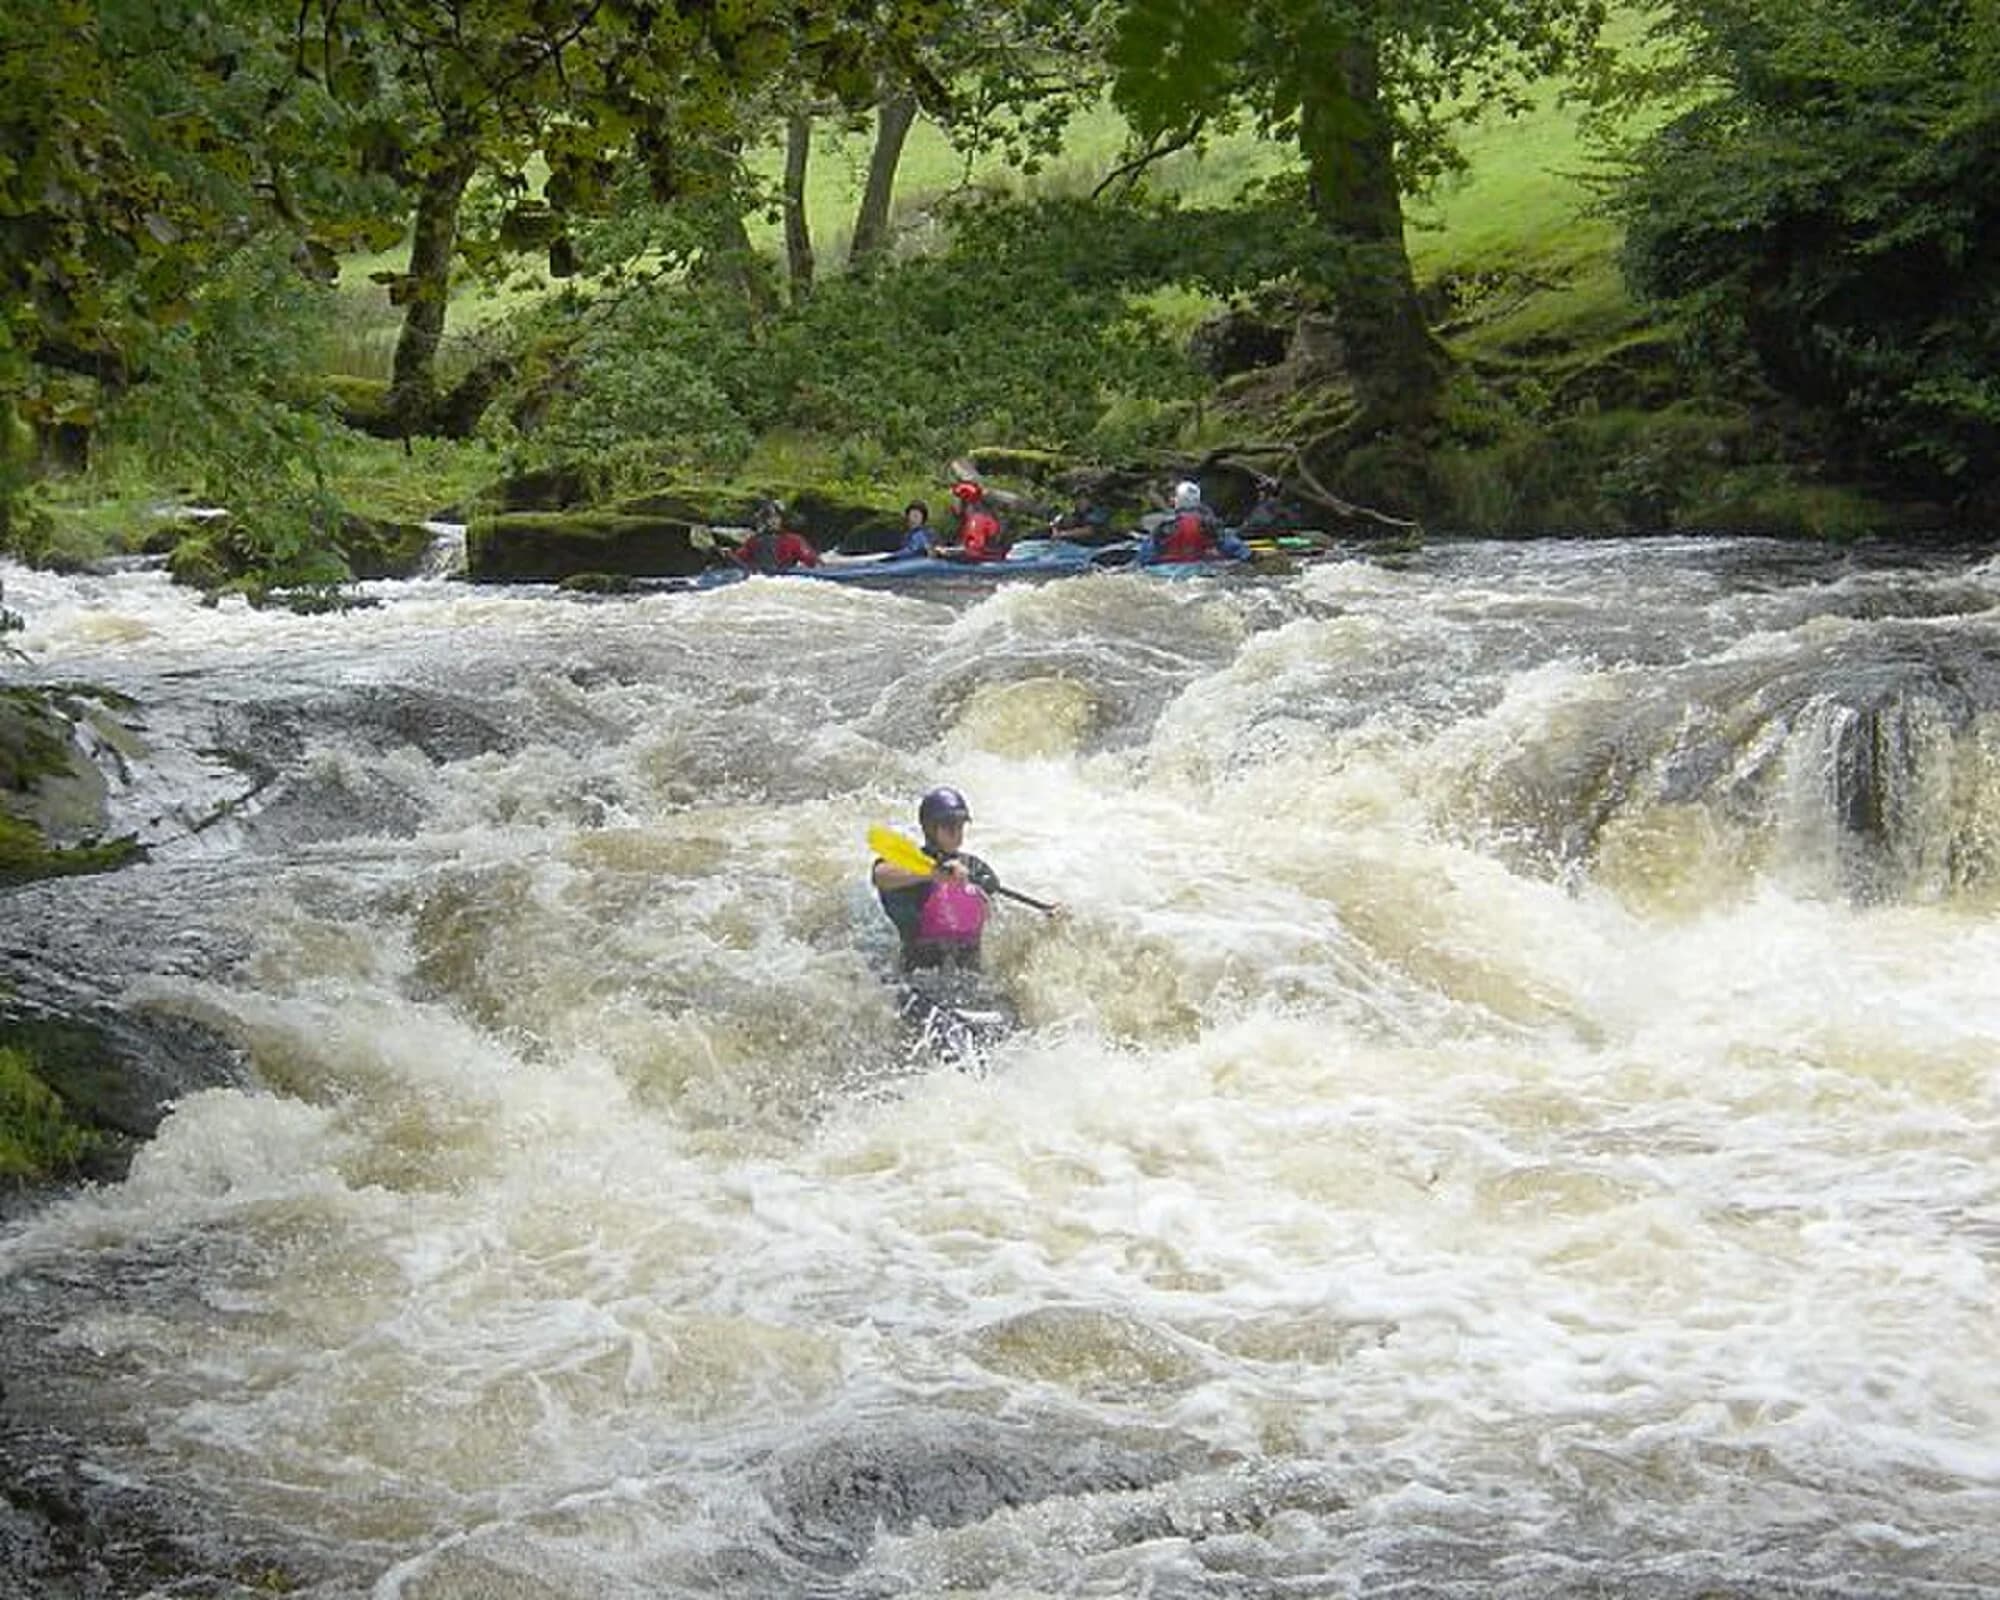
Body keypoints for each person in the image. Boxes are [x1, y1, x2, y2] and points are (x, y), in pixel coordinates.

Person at [871, 786, 1006, 972]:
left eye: (960, 825)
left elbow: (1001, 909)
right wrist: (934, 873)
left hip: (969, 969)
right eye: (950, 826)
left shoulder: (974, 866)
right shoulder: (910, 865)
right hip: (919, 972)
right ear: (930, 829)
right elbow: (880, 876)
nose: (957, 832)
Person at [1139, 480, 1249, 566]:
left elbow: (1145, 557)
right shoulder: (1209, 524)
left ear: (1178, 500)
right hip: (1200, 569)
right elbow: (1236, 549)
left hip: (1165, 572)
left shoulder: (1165, 525)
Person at [733, 499, 821, 572]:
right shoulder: (794, 540)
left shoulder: (752, 541)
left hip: (764, 580)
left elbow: (738, 560)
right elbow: (814, 562)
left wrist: (728, 554)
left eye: (773, 517)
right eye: (768, 517)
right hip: (785, 580)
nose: (770, 521)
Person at [939, 481, 1007, 563]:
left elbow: (973, 550)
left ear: (964, 500)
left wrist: (948, 552)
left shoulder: (977, 520)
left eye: (955, 500)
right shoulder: (968, 520)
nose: (952, 505)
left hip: (985, 563)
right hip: (980, 560)